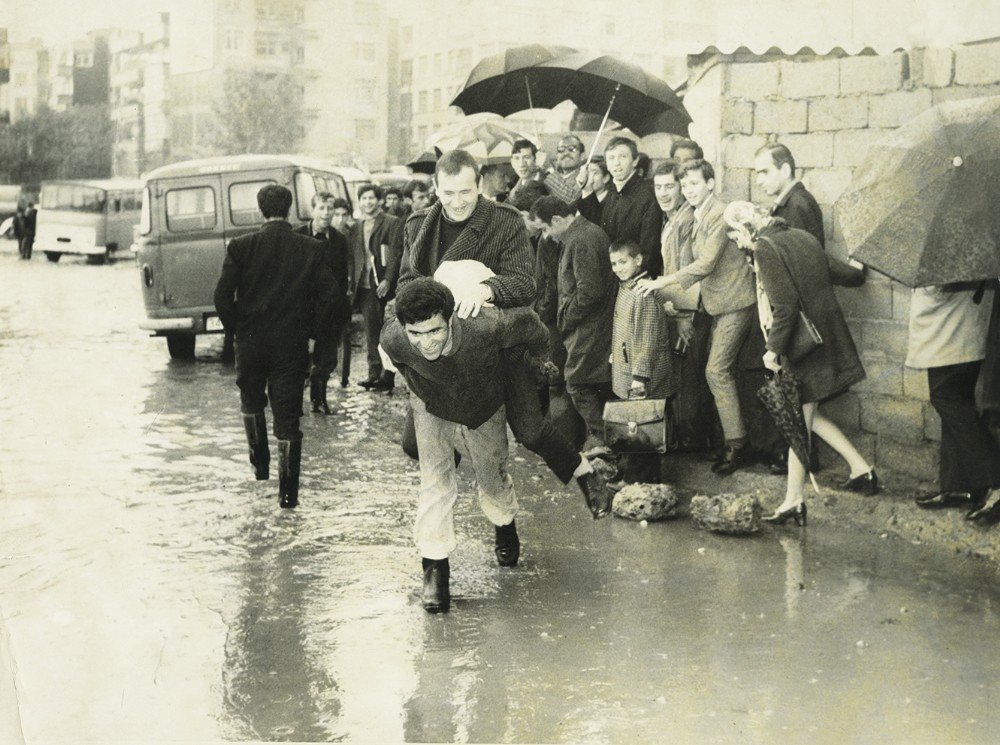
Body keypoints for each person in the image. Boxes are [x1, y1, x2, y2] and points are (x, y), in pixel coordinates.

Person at [398, 149, 613, 519]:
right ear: (435, 188)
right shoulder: (418, 225)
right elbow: (406, 283)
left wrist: (486, 290)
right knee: (414, 443)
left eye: (465, 191)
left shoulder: (505, 220)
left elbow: (524, 283)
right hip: (442, 344)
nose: (458, 202)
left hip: (500, 340)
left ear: (478, 183)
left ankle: (584, 474)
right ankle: (477, 463)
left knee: (530, 430)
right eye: (448, 194)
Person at [380, 278, 554, 613]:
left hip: (483, 403)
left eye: (435, 331)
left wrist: (536, 369)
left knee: (490, 470)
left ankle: (504, 525)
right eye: (416, 334)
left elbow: (535, 329)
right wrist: (422, 389)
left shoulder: (487, 326)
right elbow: (400, 362)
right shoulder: (394, 338)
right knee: (435, 480)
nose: (426, 343)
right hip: (430, 404)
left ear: (451, 320)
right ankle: (434, 569)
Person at [724, 202, 876, 526]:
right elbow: (848, 275)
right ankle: (861, 468)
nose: (736, 243)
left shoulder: (765, 248)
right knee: (809, 416)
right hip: (828, 340)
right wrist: (859, 263)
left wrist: (771, 351)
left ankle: (793, 500)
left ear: (747, 229)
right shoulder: (802, 237)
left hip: (805, 349)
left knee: (797, 424)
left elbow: (786, 308)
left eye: (734, 235)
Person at [213, 184, 344, 508]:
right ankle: (288, 497)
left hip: (251, 343)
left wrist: (238, 330)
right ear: (290, 209)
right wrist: (312, 331)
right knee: (288, 417)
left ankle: (259, 466)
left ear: (260, 210)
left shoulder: (241, 247)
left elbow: (221, 297)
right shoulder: (311, 248)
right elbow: (332, 297)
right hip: (291, 344)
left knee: (251, 401)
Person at [637, 159, 756, 475]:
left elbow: (705, 263)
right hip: (720, 303)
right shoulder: (698, 214)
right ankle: (731, 441)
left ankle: (737, 445)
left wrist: (663, 282)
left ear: (711, 184)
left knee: (716, 371)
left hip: (735, 301)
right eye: (685, 185)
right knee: (718, 372)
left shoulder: (719, 213)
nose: (688, 190)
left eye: (693, 184)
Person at [906, 282, 1000, 519]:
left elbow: (943, 284)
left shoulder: (955, 253)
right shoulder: (971, 253)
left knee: (946, 398)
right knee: (957, 401)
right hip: (961, 332)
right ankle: (959, 485)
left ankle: (995, 482)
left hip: (950, 331)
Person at [532, 195, 616, 449]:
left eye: (546, 228)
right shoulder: (582, 234)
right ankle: (604, 443)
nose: (547, 235)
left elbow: (588, 292)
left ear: (557, 220)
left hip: (589, 327)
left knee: (578, 383)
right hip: (588, 325)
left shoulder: (581, 238)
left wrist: (566, 319)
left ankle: (605, 444)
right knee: (585, 383)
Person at [652, 160, 719, 454]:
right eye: (658, 187)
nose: (663, 193)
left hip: (688, 310)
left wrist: (682, 315)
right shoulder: (670, 218)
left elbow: (688, 271)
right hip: (677, 306)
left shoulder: (685, 220)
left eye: (670, 186)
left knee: (690, 377)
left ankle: (694, 440)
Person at [608, 239, 676, 483]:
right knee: (633, 427)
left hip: (641, 376)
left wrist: (639, 377)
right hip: (628, 367)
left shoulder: (643, 293)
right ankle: (632, 476)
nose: (617, 268)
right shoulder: (626, 286)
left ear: (638, 260)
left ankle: (641, 483)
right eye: (614, 263)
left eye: (623, 262)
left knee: (644, 429)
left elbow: (646, 338)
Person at [754, 143, 865, 288]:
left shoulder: (798, 204)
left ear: (785, 170)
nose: (758, 181)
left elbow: (812, 262)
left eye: (765, 172)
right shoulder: (790, 203)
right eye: (757, 173)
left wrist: (854, 274)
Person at [293, 191, 353, 414]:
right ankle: (295, 404)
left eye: (330, 209)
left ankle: (319, 401)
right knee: (299, 359)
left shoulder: (339, 240)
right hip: (303, 309)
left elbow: (340, 277)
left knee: (327, 360)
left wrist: (341, 310)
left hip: (329, 310)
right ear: (312, 209)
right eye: (322, 208)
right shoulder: (298, 236)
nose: (326, 213)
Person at [578, 136, 662, 277]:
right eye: (611, 158)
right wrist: (587, 190)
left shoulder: (648, 194)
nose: (616, 163)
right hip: (611, 275)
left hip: (635, 279)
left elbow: (650, 248)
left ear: (635, 161)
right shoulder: (612, 190)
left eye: (623, 157)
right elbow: (598, 229)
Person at [349, 183, 404, 392]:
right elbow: (353, 258)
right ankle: (375, 374)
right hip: (363, 286)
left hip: (380, 284)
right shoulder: (355, 227)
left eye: (371, 198)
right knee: (371, 330)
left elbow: (395, 254)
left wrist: (388, 280)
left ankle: (387, 374)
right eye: (364, 199)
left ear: (379, 200)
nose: (368, 202)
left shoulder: (391, 222)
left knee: (385, 329)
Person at [543, 135, 586, 204]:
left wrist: (548, 177)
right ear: (557, 156)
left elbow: (570, 198)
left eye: (572, 149)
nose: (566, 153)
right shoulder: (552, 173)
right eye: (561, 150)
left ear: (582, 156)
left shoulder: (584, 176)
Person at [507, 139, 542, 204]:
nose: (521, 164)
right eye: (516, 158)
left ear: (535, 160)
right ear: (512, 162)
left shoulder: (548, 182)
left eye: (526, 157)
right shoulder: (513, 184)